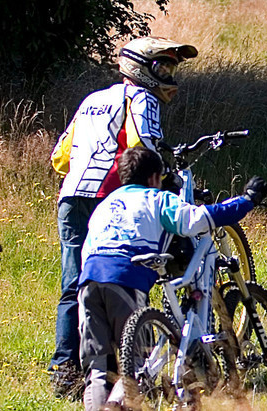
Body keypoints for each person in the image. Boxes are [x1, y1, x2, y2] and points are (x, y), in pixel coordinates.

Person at [47, 35, 198, 396]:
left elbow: (60, 158)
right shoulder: (142, 98)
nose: (168, 73)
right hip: (110, 197)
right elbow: (146, 144)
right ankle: (131, 363)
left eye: (171, 67)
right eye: (161, 66)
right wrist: (166, 175)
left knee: (77, 282)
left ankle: (64, 368)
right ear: (140, 68)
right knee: (125, 273)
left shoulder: (92, 100)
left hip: (71, 197)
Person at [75, 147, 267, 410]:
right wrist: (246, 200)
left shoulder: (105, 204)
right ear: (155, 178)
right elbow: (195, 220)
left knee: (98, 369)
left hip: (88, 280)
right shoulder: (157, 198)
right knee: (137, 365)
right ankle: (118, 404)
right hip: (125, 276)